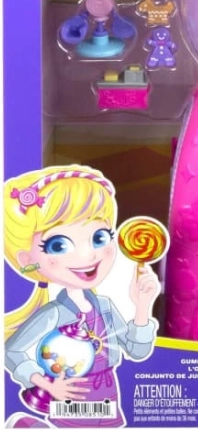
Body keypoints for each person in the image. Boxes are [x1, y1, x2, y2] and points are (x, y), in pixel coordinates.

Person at [4, 165, 160, 428]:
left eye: (100, 237)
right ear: (28, 260)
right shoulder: (54, 313)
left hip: (108, 393)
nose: (88, 255)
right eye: (59, 245)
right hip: (72, 394)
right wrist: (46, 384)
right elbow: (11, 351)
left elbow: (137, 351)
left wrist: (142, 306)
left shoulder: (105, 306)